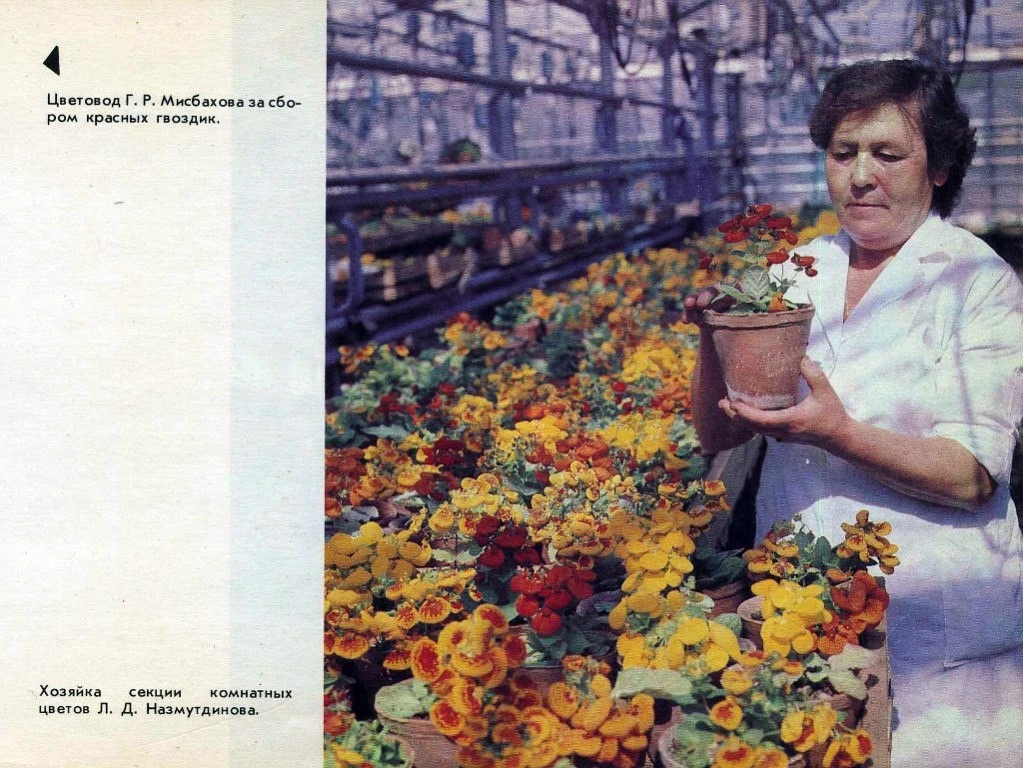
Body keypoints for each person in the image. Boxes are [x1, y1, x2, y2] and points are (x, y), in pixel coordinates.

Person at [685, 59, 1023, 767]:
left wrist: (835, 433)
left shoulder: (976, 281)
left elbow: (971, 477)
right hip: (798, 607)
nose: (860, 176)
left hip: (933, 616)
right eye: (843, 153)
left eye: (887, 154)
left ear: (938, 168)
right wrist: (712, 340)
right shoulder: (795, 271)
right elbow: (719, 432)